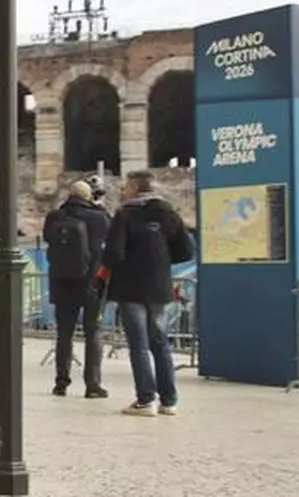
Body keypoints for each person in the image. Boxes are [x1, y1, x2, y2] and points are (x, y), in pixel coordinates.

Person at [96, 170, 194, 417]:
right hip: (159, 287)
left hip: (130, 286)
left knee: (139, 345)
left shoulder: (125, 214)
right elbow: (185, 250)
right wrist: (161, 259)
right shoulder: (168, 213)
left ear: (135, 188)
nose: (123, 190)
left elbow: (113, 253)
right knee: (160, 343)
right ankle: (169, 400)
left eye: (126, 186)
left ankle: (145, 400)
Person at [42, 179, 111, 398]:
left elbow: (47, 238)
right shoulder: (99, 218)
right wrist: (99, 206)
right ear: (89, 196)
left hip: (61, 281)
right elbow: (109, 234)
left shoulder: (54, 217)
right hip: (91, 283)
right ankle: (92, 384)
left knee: (64, 334)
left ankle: (61, 382)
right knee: (93, 333)